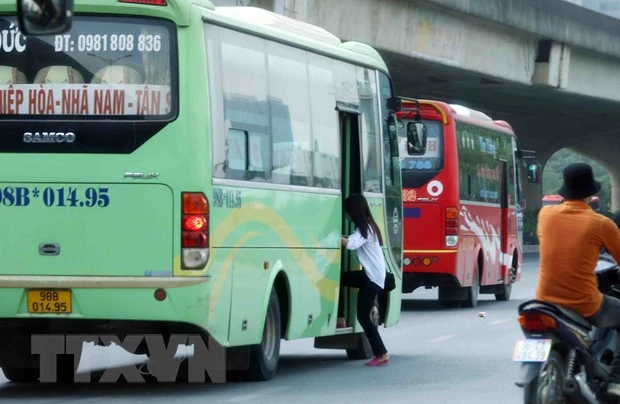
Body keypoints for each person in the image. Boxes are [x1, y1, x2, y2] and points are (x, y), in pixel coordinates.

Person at [535, 163, 620, 396]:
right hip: (583, 303)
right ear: (591, 193)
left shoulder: (545, 215)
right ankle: (615, 381)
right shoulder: (600, 223)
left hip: (545, 300)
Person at [336, 193, 389, 366]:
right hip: (371, 275)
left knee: (363, 317)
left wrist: (333, 237)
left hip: (372, 279)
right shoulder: (368, 226)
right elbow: (353, 240)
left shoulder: (365, 228)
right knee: (342, 279)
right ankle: (341, 317)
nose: (347, 215)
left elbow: (350, 244)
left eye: (348, 212)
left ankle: (381, 353)